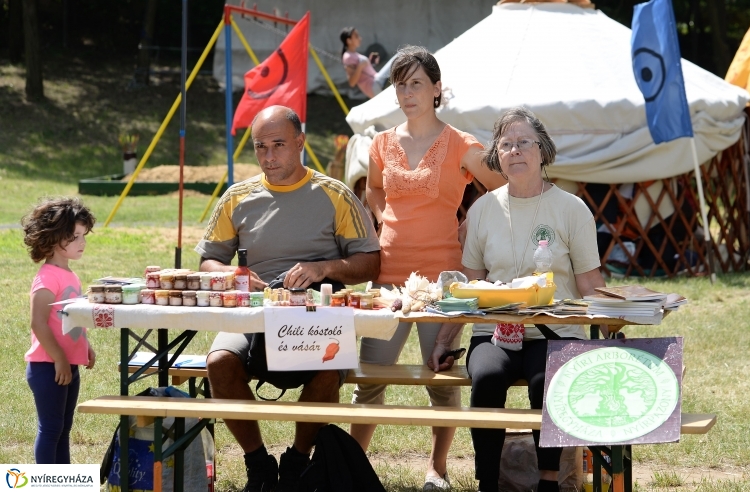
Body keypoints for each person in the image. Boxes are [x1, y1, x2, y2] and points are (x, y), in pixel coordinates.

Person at [196, 106, 380, 492]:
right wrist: (236, 274)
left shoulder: (335, 194)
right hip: (254, 314)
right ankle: (258, 465)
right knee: (219, 362)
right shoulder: (237, 197)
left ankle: (296, 463)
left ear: (300, 142)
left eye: (278, 145)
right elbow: (208, 261)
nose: (268, 156)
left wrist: (324, 268)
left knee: (331, 367)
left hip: (315, 315)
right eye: (260, 147)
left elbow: (370, 263)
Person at [427, 108, 610, 492]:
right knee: (488, 377)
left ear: (542, 150)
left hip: (554, 330)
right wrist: (445, 341)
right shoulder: (482, 210)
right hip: (495, 330)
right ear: (497, 155)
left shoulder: (572, 208)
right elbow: (470, 285)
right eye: (506, 144)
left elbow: (590, 281)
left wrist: (610, 334)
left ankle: (547, 481)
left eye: (524, 142)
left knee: (547, 380)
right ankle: (487, 482)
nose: (515, 151)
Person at [351, 46, 506, 491]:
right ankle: (351, 465)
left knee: (440, 379)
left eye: (416, 82)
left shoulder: (461, 143)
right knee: (369, 378)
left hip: (442, 280)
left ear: (437, 89)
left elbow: (500, 190)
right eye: (400, 83)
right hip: (388, 278)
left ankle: (437, 469)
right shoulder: (381, 143)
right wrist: (388, 223)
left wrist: (470, 231)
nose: (407, 91)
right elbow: (375, 191)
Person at [22, 197, 97, 464]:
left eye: (83, 236)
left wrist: (84, 346)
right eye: (75, 237)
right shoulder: (46, 278)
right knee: (51, 428)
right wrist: (60, 359)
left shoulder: (71, 276)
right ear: (54, 239)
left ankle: (62, 482)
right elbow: (38, 323)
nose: (82, 242)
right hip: (48, 366)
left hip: (66, 366)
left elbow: (70, 319)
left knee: (64, 430)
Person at [340, 27, 397, 99]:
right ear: (349, 40)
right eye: (356, 36)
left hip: (376, 81)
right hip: (374, 85)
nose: (360, 38)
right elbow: (352, 83)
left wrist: (371, 62)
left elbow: (364, 71)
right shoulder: (348, 56)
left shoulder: (355, 54)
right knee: (399, 57)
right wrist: (360, 66)